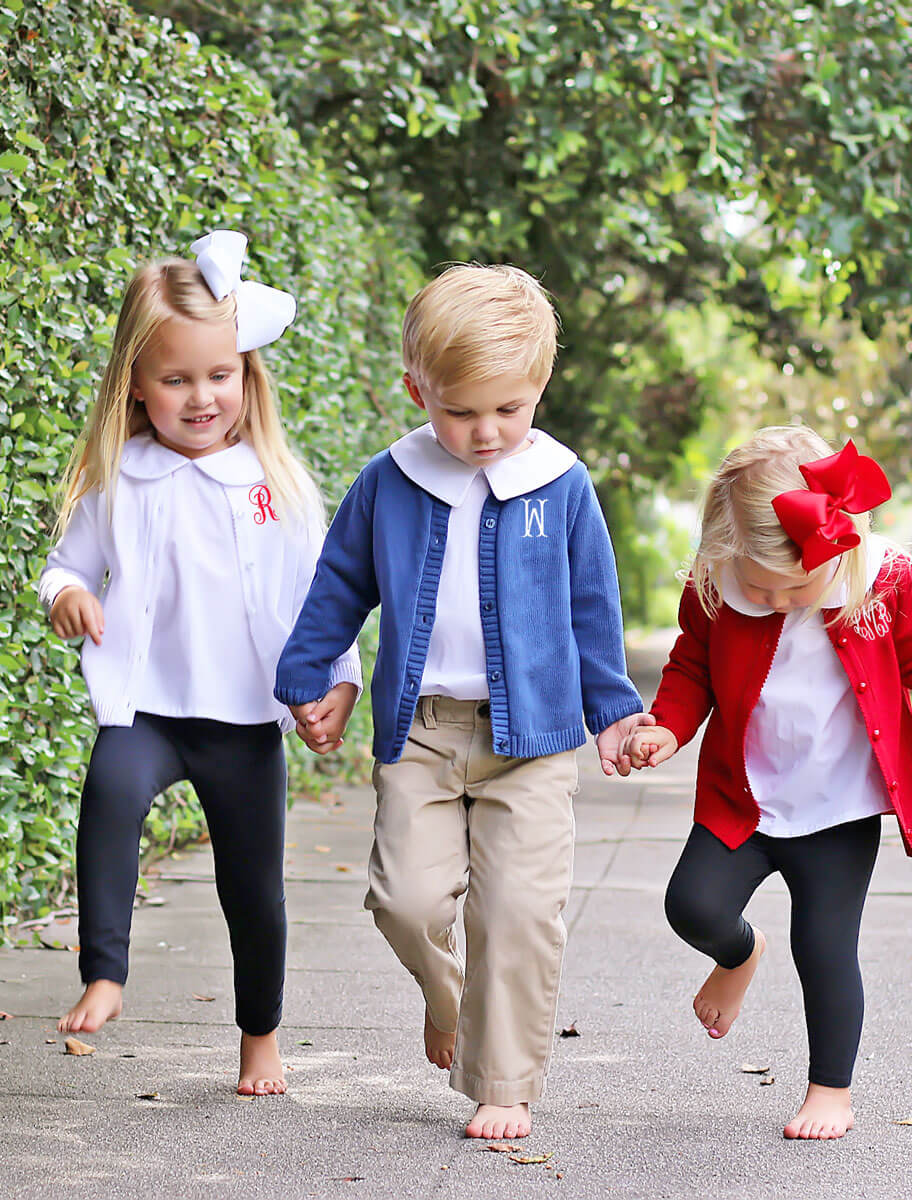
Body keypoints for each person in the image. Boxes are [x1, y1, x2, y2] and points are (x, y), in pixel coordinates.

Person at [274, 264, 649, 1140]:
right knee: (402, 899)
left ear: (539, 390)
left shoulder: (561, 486)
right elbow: (338, 586)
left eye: (507, 410)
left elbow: (593, 611)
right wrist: (312, 676)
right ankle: (451, 1000)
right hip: (424, 731)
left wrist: (617, 712)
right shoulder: (390, 481)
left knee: (517, 911)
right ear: (418, 390)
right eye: (460, 411)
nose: (485, 432)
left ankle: (505, 1084)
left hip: (538, 739)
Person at [38, 231, 360, 1096]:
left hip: (244, 719)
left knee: (253, 892)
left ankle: (260, 1038)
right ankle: (104, 971)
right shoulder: (118, 476)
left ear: (248, 377)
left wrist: (337, 684)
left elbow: (319, 600)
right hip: (146, 707)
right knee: (108, 796)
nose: (201, 397)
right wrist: (66, 596)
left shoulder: (279, 484)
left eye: (219, 376)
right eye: (175, 380)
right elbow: (65, 564)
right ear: (136, 387)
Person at [623, 425, 912, 1140]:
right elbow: (690, 668)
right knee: (691, 906)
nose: (774, 598)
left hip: (839, 808)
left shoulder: (878, 577)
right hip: (746, 798)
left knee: (824, 945)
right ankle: (739, 952)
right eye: (759, 585)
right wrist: (666, 727)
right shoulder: (719, 586)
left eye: (791, 585)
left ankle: (831, 1090)